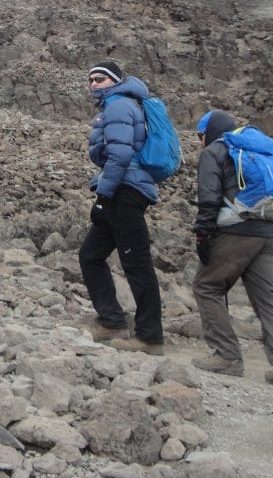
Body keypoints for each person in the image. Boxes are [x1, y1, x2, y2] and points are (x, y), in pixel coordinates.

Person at [189, 110, 273, 391]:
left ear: (210, 131)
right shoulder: (259, 153)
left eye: (201, 135)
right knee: (269, 299)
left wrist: (203, 235)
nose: (200, 142)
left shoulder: (214, 152)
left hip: (237, 233)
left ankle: (227, 356)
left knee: (207, 286)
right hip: (269, 233)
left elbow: (209, 198)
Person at [79, 61, 165, 355]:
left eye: (100, 79)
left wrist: (103, 198)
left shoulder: (118, 106)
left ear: (114, 81)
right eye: (91, 79)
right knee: (90, 255)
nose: (94, 84)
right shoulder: (119, 105)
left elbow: (119, 155)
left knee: (136, 263)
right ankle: (112, 321)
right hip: (121, 189)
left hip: (125, 192)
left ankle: (150, 337)